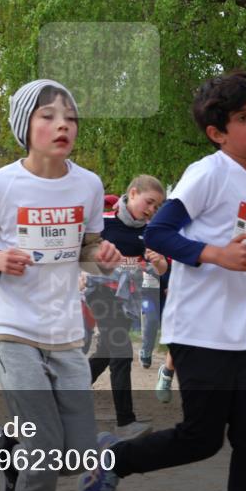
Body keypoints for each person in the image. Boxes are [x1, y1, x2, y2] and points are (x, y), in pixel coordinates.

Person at [78, 71, 246, 491]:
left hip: (241, 332)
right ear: (218, 132)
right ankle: (112, 460)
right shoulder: (208, 172)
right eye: (243, 118)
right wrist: (215, 254)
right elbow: (159, 233)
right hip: (197, 329)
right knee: (201, 438)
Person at [0, 78, 121, 491]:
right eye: (49, 116)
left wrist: (103, 255)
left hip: (65, 330)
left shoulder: (88, 184)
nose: (62, 125)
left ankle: (10, 448)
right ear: (24, 127)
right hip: (13, 328)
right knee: (47, 452)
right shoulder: (0, 184)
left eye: (70, 117)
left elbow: (87, 248)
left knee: (73, 455)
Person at [88, 177, 167, 439]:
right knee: (121, 351)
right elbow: (81, 250)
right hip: (99, 291)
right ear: (133, 193)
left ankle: (65, 394)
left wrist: (157, 264)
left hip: (126, 297)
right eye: (149, 202)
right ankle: (125, 422)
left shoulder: (150, 231)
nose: (151, 210)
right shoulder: (104, 222)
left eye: (157, 207)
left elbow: (162, 269)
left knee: (107, 350)